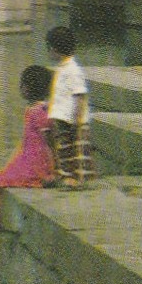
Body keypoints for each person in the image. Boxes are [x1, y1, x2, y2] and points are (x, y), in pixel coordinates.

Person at [0, 65, 55, 256]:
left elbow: (48, 143)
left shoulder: (38, 112)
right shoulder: (36, 110)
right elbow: (27, 143)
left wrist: (48, 172)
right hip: (29, 160)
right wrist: (10, 165)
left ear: (25, 88)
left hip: (34, 166)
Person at [45, 25, 95, 186]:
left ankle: (79, 178)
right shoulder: (62, 68)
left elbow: (79, 95)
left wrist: (78, 118)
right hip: (61, 116)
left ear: (54, 49)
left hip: (73, 118)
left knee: (78, 149)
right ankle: (65, 175)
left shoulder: (73, 70)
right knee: (63, 148)